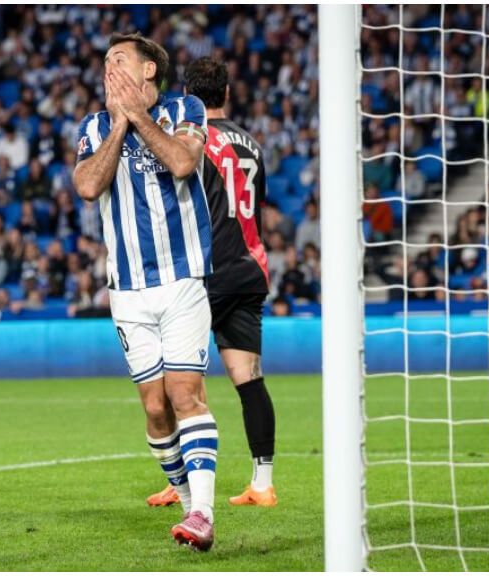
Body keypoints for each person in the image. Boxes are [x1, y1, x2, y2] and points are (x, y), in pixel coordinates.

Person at [73, 32, 218, 551]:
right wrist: (119, 122)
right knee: (156, 410)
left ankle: (202, 513)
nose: (107, 69)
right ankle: (186, 502)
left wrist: (139, 117)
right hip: (128, 290)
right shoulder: (92, 126)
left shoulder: (186, 108)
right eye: (105, 62)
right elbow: (89, 185)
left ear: (149, 70)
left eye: (118, 60)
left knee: (185, 396)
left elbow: (183, 162)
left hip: (182, 278)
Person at [146, 56, 278, 510]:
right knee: (249, 378)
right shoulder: (253, 144)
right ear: (227, 92)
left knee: (177, 382)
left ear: (187, 95)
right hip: (250, 270)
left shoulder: (195, 139)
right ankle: (263, 483)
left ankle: (180, 479)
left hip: (205, 272)